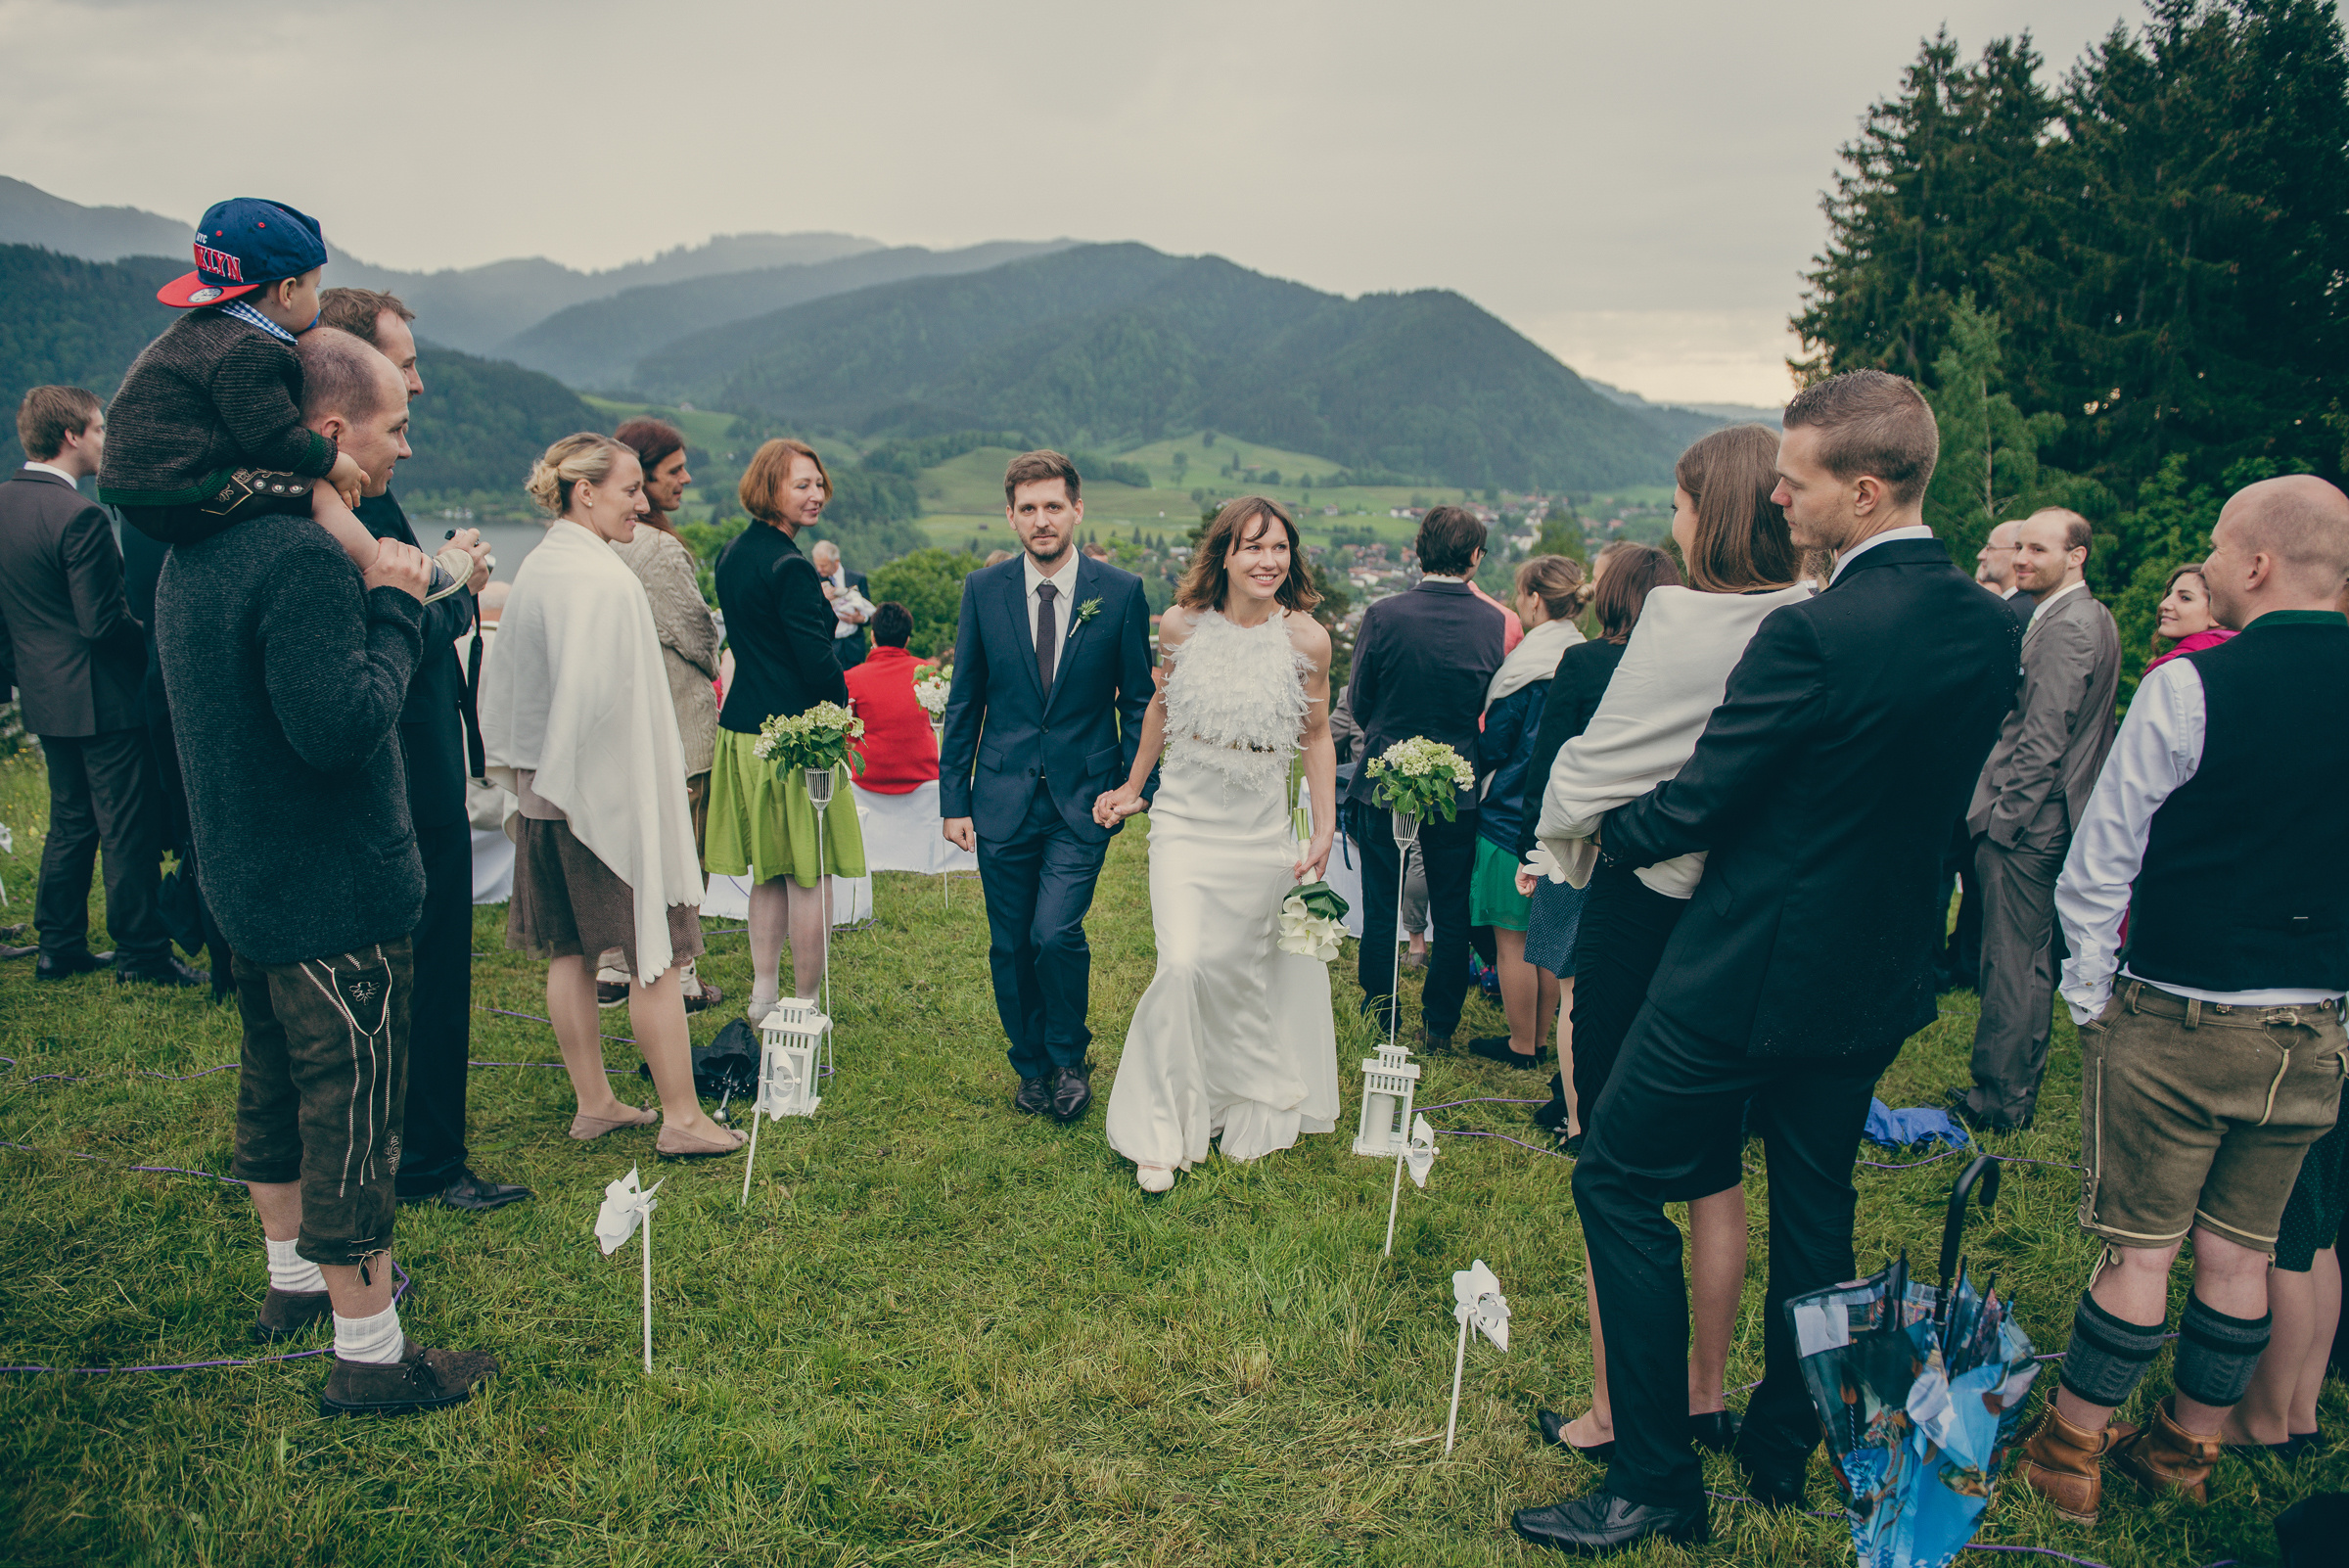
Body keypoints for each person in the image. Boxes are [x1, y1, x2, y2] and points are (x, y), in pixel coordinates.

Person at [1513, 371, 2019, 1554]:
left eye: (1796, 483)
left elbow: (1700, 800)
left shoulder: (1818, 630)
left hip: (1748, 970)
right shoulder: (1991, 626)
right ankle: (1789, 1443)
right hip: (1881, 972)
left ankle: (1652, 1479)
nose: (1779, 501)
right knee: (1817, 1204)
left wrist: (1601, 834)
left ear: (1866, 489)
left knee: (1618, 1179)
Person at [154, 326, 496, 1414]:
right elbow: (343, 729)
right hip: (331, 888)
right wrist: (398, 602)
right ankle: (370, 1352)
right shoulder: (302, 562)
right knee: (350, 1106)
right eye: (397, 426)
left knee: (270, 1082)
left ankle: (292, 1284)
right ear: (335, 433)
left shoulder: (195, 544)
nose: (405, 447)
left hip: (245, 877)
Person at [2017, 474, 2349, 1523]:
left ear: (2256, 565)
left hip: (2180, 1009)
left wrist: (2087, 999)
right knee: (2242, 1252)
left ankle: (2071, 1445)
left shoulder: (2193, 684)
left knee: (2141, 1249)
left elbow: (2101, 860)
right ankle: (2184, 1452)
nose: (2203, 563)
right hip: (2314, 1025)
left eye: (2214, 546)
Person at [1528, 427, 1814, 1472]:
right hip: (1739, 919)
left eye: (1684, 505)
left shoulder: (1684, 618)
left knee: (1614, 1160)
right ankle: (1700, 1395)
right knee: (1713, 1173)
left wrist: (1566, 828)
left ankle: (1614, 1409)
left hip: (1642, 911)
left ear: (1717, 514)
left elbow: (1590, 772)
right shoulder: (1813, 618)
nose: (1676, 523)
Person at [314, 288, 525, 1213]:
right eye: (403, 366)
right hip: (404, 773)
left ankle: (412, 1145)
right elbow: (389, 623)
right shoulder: (356, 506)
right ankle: (431, 1161)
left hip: (416, 764)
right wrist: (461, 583)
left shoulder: (370, 500)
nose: (420, 384)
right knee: (427, 974)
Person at [482, 434, 740, 1161]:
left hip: (545, 800)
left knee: (571, 951)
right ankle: (683, 1117)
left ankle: (595, 1102)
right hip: (602, 804)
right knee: (655, 953)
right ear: (584, 490)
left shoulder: (542, 565)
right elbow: (599, 706)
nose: (643, 501)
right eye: (629, 488)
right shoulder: (600, 578)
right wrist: (622, 802)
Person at [1094, 497, 1340, 1191]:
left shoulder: (1308, 641)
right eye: (1254, 547)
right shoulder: (1179, 625)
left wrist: (1322, 827)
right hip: (1185, 826)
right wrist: (1134, 785)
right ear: (1224, 555)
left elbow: (1317, 736)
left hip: (1260, 837)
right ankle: (1157, 1128)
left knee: (1235, 975)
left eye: (1280, 549)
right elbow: (1160, 710)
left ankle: (1228, 1097)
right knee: (1181, 963)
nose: (1269, 561)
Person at [938, 450, 1154, 1122]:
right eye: (1027, 508)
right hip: (999, 797)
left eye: (1052, 505)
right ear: (1010, 516)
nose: (1041, 520)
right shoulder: (983, 589)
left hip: (1081, 800)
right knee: (1009, 942)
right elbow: (965, 699)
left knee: (1054, 933)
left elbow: (1141, 701)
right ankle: (1028, 1063)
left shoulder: (1119, 592)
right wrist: (953, 800)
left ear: (1077, 509)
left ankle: (1066, 1058)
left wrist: (1129, 784)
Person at [0, 387, 199, 987]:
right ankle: (140, 953)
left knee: (70, 821)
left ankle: (58, 945)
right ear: (71, 437)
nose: (105, 441)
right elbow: (101, 622)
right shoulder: (81, 516)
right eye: (100, 430)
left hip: (44, 694)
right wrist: (155, 644)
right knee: (126, 827)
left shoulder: (5, 503)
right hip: (103, 698)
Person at [1954, 508, 2121, 1132]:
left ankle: (1998, 1101)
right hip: (2040, 820)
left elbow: (2043, 738)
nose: (2022, 559)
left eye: (2038, 550)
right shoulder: (2077, 614)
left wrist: (2004, 822)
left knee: (2013, 963)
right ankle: (2004, 1087)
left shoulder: (2071, 624)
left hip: (2028, 826)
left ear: (2076, 556)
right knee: (2022, 959)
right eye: (2019, 547)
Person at [97, 199, 372, 565]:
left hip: (144, 489)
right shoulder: (250, 349)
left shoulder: (202, 330)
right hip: (177, 492)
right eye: (315, 288)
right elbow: (273, 438)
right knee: (316, 492)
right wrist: (335, 462)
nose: (317, 300)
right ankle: (379, 567)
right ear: (288, 291)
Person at [708, 439, 868, 1019]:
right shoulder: (792, 566)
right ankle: (802, 1003)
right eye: (801, 484)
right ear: (769, 486)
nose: (816, 493)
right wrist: (841, 709)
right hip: (797, 740)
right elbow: (816, 662)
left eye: (819, 482)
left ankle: (762, 993)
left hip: (744, 730)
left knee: (769, 872)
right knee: (810, 871)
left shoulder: (732, 554)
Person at [1521, 545, 1678, 1139]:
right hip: (1655, 842)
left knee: (1573, 990)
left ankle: (1579, 1119)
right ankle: (1627, 1116)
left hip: (1579, 839)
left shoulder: (1584, 662)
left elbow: (1548, 764)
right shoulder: (1679, 666)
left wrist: (1531, 848)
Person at [1345, 506, 1508, 1047]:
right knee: (1451, 906)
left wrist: (1391, 737)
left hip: (1386, 777)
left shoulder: (1384, 615)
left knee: (1380, 901)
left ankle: (1381, 1014)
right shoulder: (1494, 622)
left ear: (1419, 551)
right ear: (1476, 557)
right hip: (1457, 789)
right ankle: (1440, 1024)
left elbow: (1362, 700)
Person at [606, 417, 723, 1017]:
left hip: (618, 724)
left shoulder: (595, 541)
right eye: (674, 470)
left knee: (623, 847)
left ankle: (612, 960)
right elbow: (696, 631)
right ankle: (682, 971)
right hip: (677, 718)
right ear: (643, 476)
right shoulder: (657, 548)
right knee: (682, 848)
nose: (685, 479)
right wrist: (716, 656)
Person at [1465, 555, 1588, 1068]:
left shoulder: (1526, 668)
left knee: (1511, 939)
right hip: (1564, 819)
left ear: (1535, 599)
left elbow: (1496, 745)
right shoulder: (1587, 658)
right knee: (1545, 940)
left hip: (1508, 816)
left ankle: (1522, 1044)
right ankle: (1539, 1035)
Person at [844, 601, 941, 790]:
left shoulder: (852, 678)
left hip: (868, 779)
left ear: (873, 636)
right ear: (907, 640)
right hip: (924, 777)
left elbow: (848, 736)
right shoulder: (927, 673)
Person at [2143, 561, 2236, 673]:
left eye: (2185, 598)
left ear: (2216, 614)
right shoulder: (2244, 657)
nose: (2164, 604)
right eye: (2169, 594)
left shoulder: (2174, 667)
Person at [810, 537, 873, 669]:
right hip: (829, 649)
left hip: (854, 648)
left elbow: (871, 612)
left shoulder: (857, 579)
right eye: (817, 565)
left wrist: (861, 619)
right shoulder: (813, 581)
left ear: (836, 562)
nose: (819, 569)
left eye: (823, 565)